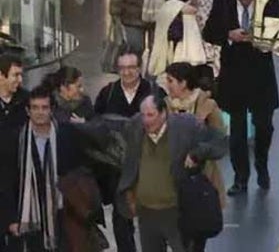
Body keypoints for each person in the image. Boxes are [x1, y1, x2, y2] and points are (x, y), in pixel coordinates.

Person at [202, 0, 279, 195]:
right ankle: (241, 177)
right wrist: (229, 35)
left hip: (261, 74)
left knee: (264, 124)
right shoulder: (223, 4)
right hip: (234, 74)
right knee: (237, 130)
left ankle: (262, 163)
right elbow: (209, 32)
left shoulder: (270, 4)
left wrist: (263, 40)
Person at [115, 95, 227, 252]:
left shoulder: (185, 126)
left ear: (163, 114)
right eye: (143, 115)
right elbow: (111, 126)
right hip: (146, 214)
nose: (146, 120)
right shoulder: (135, 126)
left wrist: (197, 153)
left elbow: (219, 142)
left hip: (176, 212)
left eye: (150, 115)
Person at [2, 86, 89, 252]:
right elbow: (8, 180)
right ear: (28, 111)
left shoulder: (66, 134)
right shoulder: (17, 140)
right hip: (31, 214)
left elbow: (80, 171)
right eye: (35, 108)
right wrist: (11, 219)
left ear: (52, 109)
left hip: (65, 212)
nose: (40, 112)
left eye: (44, 107)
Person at [93, 52, 160, 252]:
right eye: (123, 68)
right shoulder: (108, 93)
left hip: (149, 163)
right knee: (121, 213)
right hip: (117, 166)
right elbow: (97, 121)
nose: (127, 72)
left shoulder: (154, 92)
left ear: (139, 69)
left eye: (131, 67)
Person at [161, 63, 225, 251]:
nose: (167, 85)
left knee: (196, 237)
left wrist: (197, 153)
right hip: (171, 182)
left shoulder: (208, 105)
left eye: (171, 81)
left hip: (199, 182)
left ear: (184, 83)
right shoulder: (164, 105)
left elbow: (219, 141)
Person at [0, 55, 27, 133]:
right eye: (16, 75)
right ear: (1, 76)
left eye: (21, 75)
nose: (20, 80)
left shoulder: (26, 100)